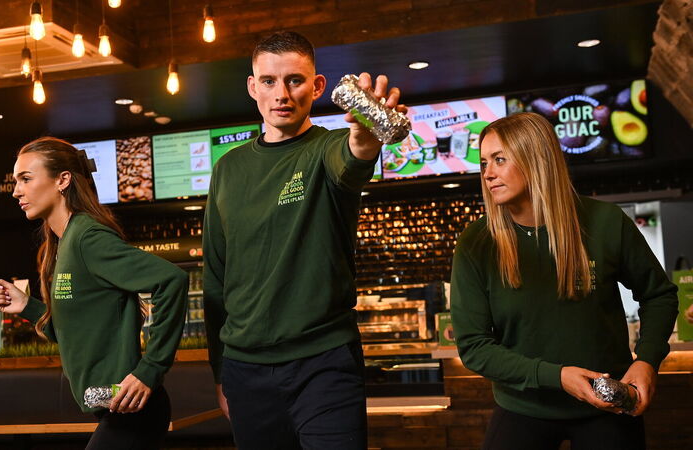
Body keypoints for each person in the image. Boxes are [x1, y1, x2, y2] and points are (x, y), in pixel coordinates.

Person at [202, 31, 406, 449]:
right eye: (269, 81)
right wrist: (220, 372)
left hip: (324, 364)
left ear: (316, 87)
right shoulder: (227, 169)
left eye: (294, 80)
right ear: (253, 86)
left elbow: (352, 158)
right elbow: (215, 277)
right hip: (245, 369)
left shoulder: (327, 149)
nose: (282, 94)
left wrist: (367, 136)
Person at [450, 112, 678, 450]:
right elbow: (474, 347)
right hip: (523, 405)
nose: (488, 173)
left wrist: (647, 361)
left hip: (607, 404)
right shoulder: (476, 242)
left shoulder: (605, 222)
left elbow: (659, 295)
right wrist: (557, 376)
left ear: (536, 159)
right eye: (484, 163)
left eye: (500, 159)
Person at [0, 137, 188, 450]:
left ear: (62, 180)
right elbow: (72, 333)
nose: (16, 191)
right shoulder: (63, 244)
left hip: (135, 409)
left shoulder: (87, 237)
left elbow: (172, 280)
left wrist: (150, 370)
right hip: (113, 406)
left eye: (26, 179)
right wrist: (27, 306)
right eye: (16, 181)